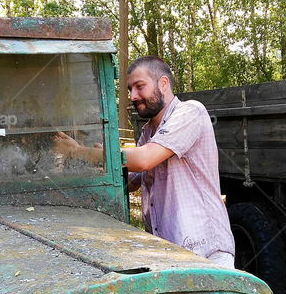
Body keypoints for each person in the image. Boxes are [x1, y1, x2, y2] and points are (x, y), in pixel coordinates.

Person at [54, 55, 235, 268]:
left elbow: (144, 160)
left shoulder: (191, 111)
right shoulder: (148, 130)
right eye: (130, 89)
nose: (132, 96)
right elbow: (131, 180)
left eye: (140, 87)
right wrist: (96, 160)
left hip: (205, 253)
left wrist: (79, 152)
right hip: (171, 254)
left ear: (163, 83)